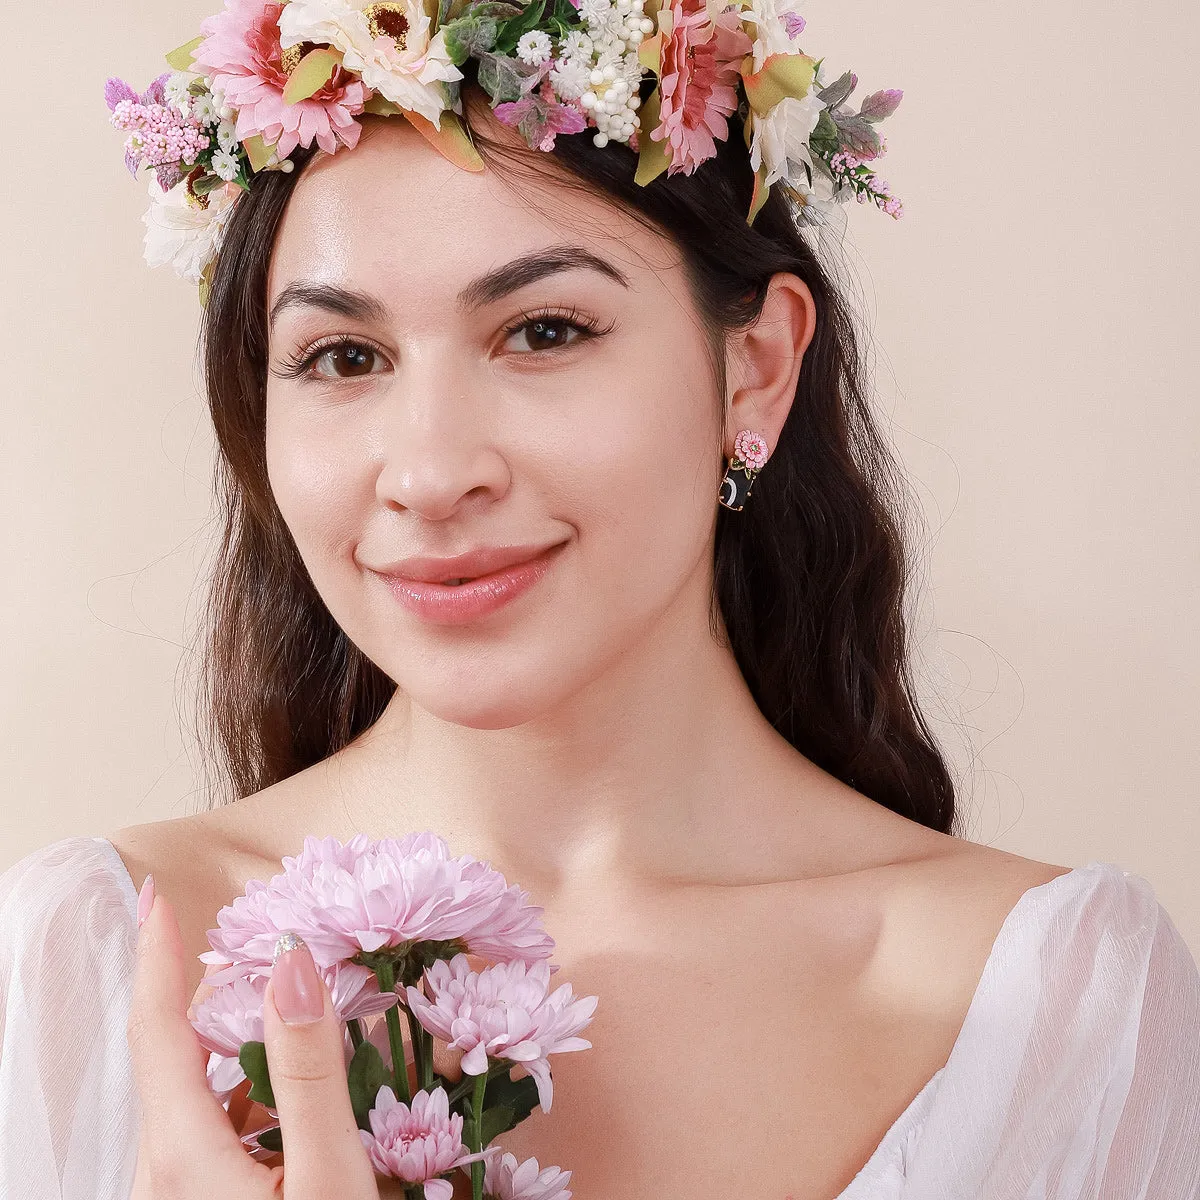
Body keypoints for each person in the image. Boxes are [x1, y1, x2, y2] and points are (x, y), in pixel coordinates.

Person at [3, 2, 1199, 1196]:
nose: (429, 474)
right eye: (344, 358)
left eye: (544, 330)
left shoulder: (1052, 1000)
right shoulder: (92, 965)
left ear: (756, 366)